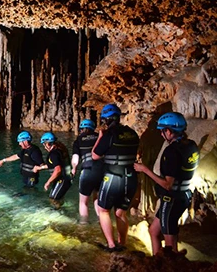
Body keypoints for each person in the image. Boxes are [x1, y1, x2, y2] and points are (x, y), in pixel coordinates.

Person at [134, 112, 198, 256]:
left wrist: (144, 169)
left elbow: (167, 184)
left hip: (171, 199)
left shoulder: (171, 151)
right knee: (154, 231)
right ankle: (157, 262)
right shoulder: (191, 145)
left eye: (162, 131)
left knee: (170, 247)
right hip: (184, 195)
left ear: (168, 131)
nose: (162, 135)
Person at [92, 103, 139, 252]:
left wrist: (100, 137)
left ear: (106, 120)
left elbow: (95, 155)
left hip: (113, 178)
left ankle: (111, 245)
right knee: (120, 212)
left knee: (103, 210)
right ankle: (123, 244)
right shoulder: (132, 133)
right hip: (131, 178)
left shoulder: (109, 135)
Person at [72, 119, 103, 224]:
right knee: (97, 199)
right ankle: (102, 223)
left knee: (83, 202)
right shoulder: (99, 136)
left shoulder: (78, 140)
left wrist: (74, 168)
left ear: (81, 129)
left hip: (87, 171)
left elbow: (75, 158)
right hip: (102, 171)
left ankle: (84, 225)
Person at [33, 132, 72, 209]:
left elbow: (58, 170)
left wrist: (48, 182)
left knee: (53, 199)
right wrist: (40, 168)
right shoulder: (59, 150)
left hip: (62, 180)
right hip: (65, 179)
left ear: (48, 144)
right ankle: (62, 211)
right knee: (57, 198)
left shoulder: (53, 154)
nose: (44, 147)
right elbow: (53, 165)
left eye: (44, 144)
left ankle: (59, 216)